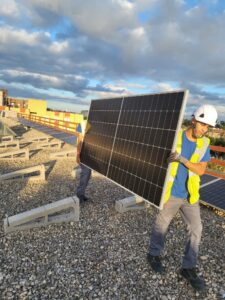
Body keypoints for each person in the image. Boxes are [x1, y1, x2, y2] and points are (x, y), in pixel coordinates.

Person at [147, 104, 218, 291]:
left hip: (190, 195)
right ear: (193, 120)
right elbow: (154, 157)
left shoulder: (204, 143)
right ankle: (153, 254)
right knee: (161, 225)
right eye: (202, 124)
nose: (204, 129)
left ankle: (188, 267)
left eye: (207, 126)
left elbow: (201, 169)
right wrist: (165, 159)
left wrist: (182, 160)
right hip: (171, 192)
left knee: (196, 229)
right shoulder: (174, 136)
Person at [76, 121, 91, 202]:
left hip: (91, 153)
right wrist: (78, 154)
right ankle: (79, 196)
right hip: (84, 154)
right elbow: (79, 139)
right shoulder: (82, 124)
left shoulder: (95, 124)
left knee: (87, 174)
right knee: (85, 174)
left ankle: (81, 194)